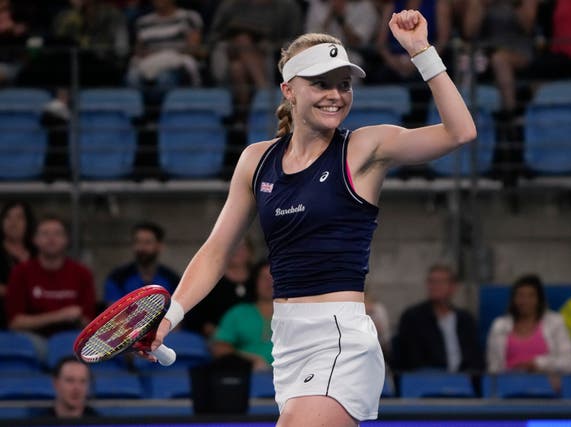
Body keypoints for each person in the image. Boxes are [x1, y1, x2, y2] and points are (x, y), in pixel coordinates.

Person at [147, 9, 476, 426]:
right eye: (320, 83)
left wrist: (421, 51)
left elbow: (460, 131)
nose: (335, 94)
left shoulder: (364, 148)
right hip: (285, 343)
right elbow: (215, 253)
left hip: (340, 339)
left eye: (343, 84)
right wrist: (171, 317)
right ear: (288, 90)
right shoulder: (255, 160)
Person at [5, 214, 96, 357]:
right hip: (32, 340)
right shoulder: (20, 272)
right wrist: (61, 315)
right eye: (45, 234)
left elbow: (90, 324)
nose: (51, 239)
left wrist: (78, 319)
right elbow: (15, 323)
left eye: (57, 234)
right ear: (35, 239)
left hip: (71, 340)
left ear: (67, 240)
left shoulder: (82, 273)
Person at [391, 263, 485, 374]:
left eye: (440, 282)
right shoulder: (413, 318)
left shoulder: (466, 320)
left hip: (463, 380)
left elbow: (476, 358)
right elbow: (409, 359)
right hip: (427, 380)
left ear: (453, 287)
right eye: (431, 282)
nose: (435, 286)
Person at [486, 273, 571, 374]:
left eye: (531, 296)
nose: (525, 301)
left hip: (546, 385)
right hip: (509, 386)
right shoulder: (499, 326)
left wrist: (537, 364)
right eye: (520, 296)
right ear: (513, 299)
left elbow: (569, 362)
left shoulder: (555, 322)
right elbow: (493, 368)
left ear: (539, 299)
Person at [182, 236, 254, 337]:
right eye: (233, 246)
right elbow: (193, 312)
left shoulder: (260, 278)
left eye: (242, 247)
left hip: (253, 336)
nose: (237, 251)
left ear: (250, 252)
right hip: (215, 337)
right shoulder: (209, 279)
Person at [211, 259, 274, 371]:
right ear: (255, 281)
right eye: (263, 278)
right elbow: (219, 348)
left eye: (274, 276)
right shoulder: (238, 313)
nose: (269, 282)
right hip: (247, 377)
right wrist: (250, 360)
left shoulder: (295, 314)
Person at [102, 221, 181, 306]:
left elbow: (177, 311)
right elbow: (113, 312)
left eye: (147, 242)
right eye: (137, 241)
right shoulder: (117, 278)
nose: (141, 248)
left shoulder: (172, 279)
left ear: (159, 246)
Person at [0, 200, 37, 329]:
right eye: (8, 217)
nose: (13, 223)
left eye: (19, 218)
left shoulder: (37, 251)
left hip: (35, 317)